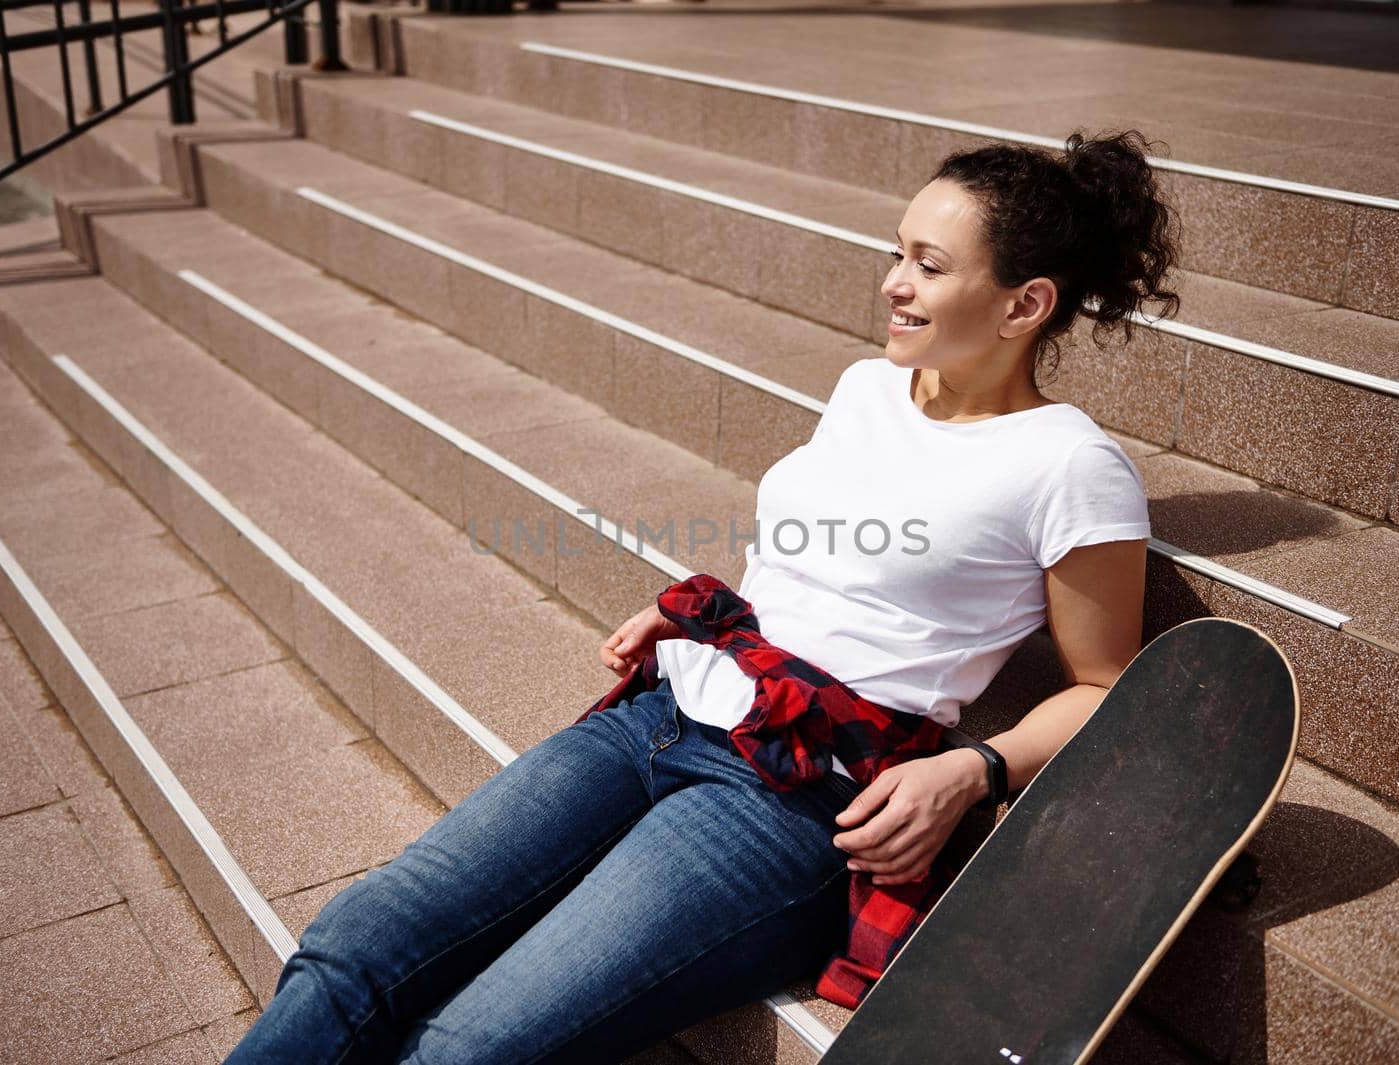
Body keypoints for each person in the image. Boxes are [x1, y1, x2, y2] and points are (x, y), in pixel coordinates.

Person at [224, 127, 1180, 1065]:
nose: (893, 283)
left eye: (928, 266)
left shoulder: (1069, 467)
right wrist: (714, 617)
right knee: (356, 948)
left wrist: (976, 768)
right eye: (896, 254)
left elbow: (1105, 685)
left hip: (786, 799)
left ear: (1025, 305)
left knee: (468, 1045)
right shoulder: (869, 388)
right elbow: (829, 560)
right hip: (658, 717)